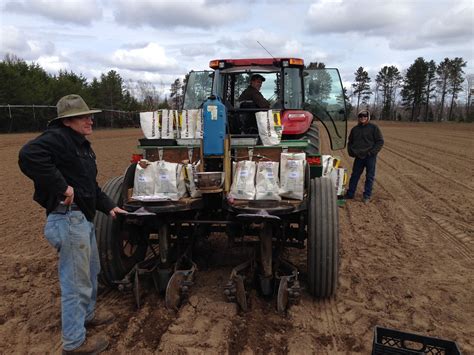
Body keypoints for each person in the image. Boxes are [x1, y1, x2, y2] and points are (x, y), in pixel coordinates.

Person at [18, 94, 128, 354]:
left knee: (90, 272)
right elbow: (28, 155)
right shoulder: (58, 138)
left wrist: (110, 206)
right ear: (67, 121)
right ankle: (74, 342)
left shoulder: (81, 145)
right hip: (68, 220)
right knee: (75, 282)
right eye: (84, 116)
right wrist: (62, 187)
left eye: (91, 115)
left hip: (81, 219)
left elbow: (90, 187)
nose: (91, 120)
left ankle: (87, 315)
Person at [346, 109, 384, 203]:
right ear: (358, 118)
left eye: (364, 116)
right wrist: (351, 152)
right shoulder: (355, 129)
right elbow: (350, 142)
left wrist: (372, 152)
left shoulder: (373, 128)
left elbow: (380, 141)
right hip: (359, 157)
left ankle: (367, 196)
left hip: (370, 157)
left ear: (368, 117)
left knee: (369, 177)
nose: (362, 118)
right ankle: (350, 194)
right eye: (360, 116)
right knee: (354, 175)